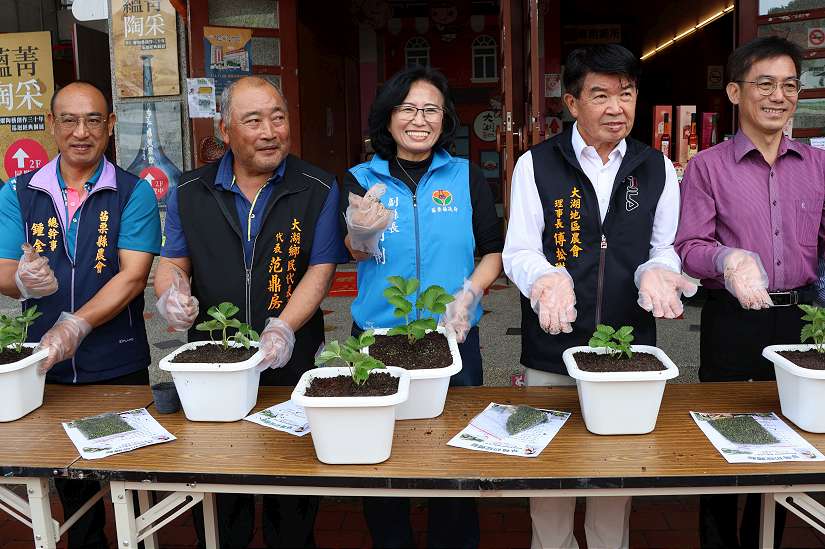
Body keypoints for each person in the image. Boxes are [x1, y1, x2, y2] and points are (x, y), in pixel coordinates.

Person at [503, 45, 695, 549]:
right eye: (601, 95)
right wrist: (546, 280)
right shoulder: (536, 164)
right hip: (552, 343)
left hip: (627, 349)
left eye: (627, 93)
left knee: (615, 472)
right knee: (548, 473)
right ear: (571, 103)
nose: (617, 107)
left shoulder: (657, 167)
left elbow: (666, 247)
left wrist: (659, 272)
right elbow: (519, 250)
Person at [153, 75, 348, 548]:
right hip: (213, 362)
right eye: (253, 120)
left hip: (291, 359)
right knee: (221, 494)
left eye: (278, 118)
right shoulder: (189, 190)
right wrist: (170, 295)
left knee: (292, 488)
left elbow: (319, 270)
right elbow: (173, 260)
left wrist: (283, 327)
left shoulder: (317, 187)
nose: (269, 131)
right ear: (225, 130)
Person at [342, 66, 502, 548]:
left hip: (451, 341)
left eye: (431, 109)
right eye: (407, 108)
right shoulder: (358, 177)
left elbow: (493, 250)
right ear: (387, 119)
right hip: (377, 342)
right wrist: (363, 233)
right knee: (381, 459)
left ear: (444, 118)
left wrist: (468, 294)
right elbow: (348, 252)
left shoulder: (465, 175)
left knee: (453, 459)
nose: (419, 119)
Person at [674, 36, 823, 549]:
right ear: (736, 92)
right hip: (732, 320)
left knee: (787, 444)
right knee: (724, 439)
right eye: (765, 84)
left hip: (798, 322)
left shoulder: (818, 166)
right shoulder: (707, 167)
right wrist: (728, 260)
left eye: (789, 86)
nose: (778, 96)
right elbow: (688, 246)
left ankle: (765, 539)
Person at [0, 81, 160, 548]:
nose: (80, 131)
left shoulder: (133, 193)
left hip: (118, 365)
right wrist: (22, 282)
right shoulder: (19, 192)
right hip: (43, 369)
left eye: (93, 120)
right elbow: (5, 270)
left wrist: (77, 323)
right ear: (52, 125)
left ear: (110, 126)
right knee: (72, 488)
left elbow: (132, 276)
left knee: (132, 481)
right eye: (68, 120)